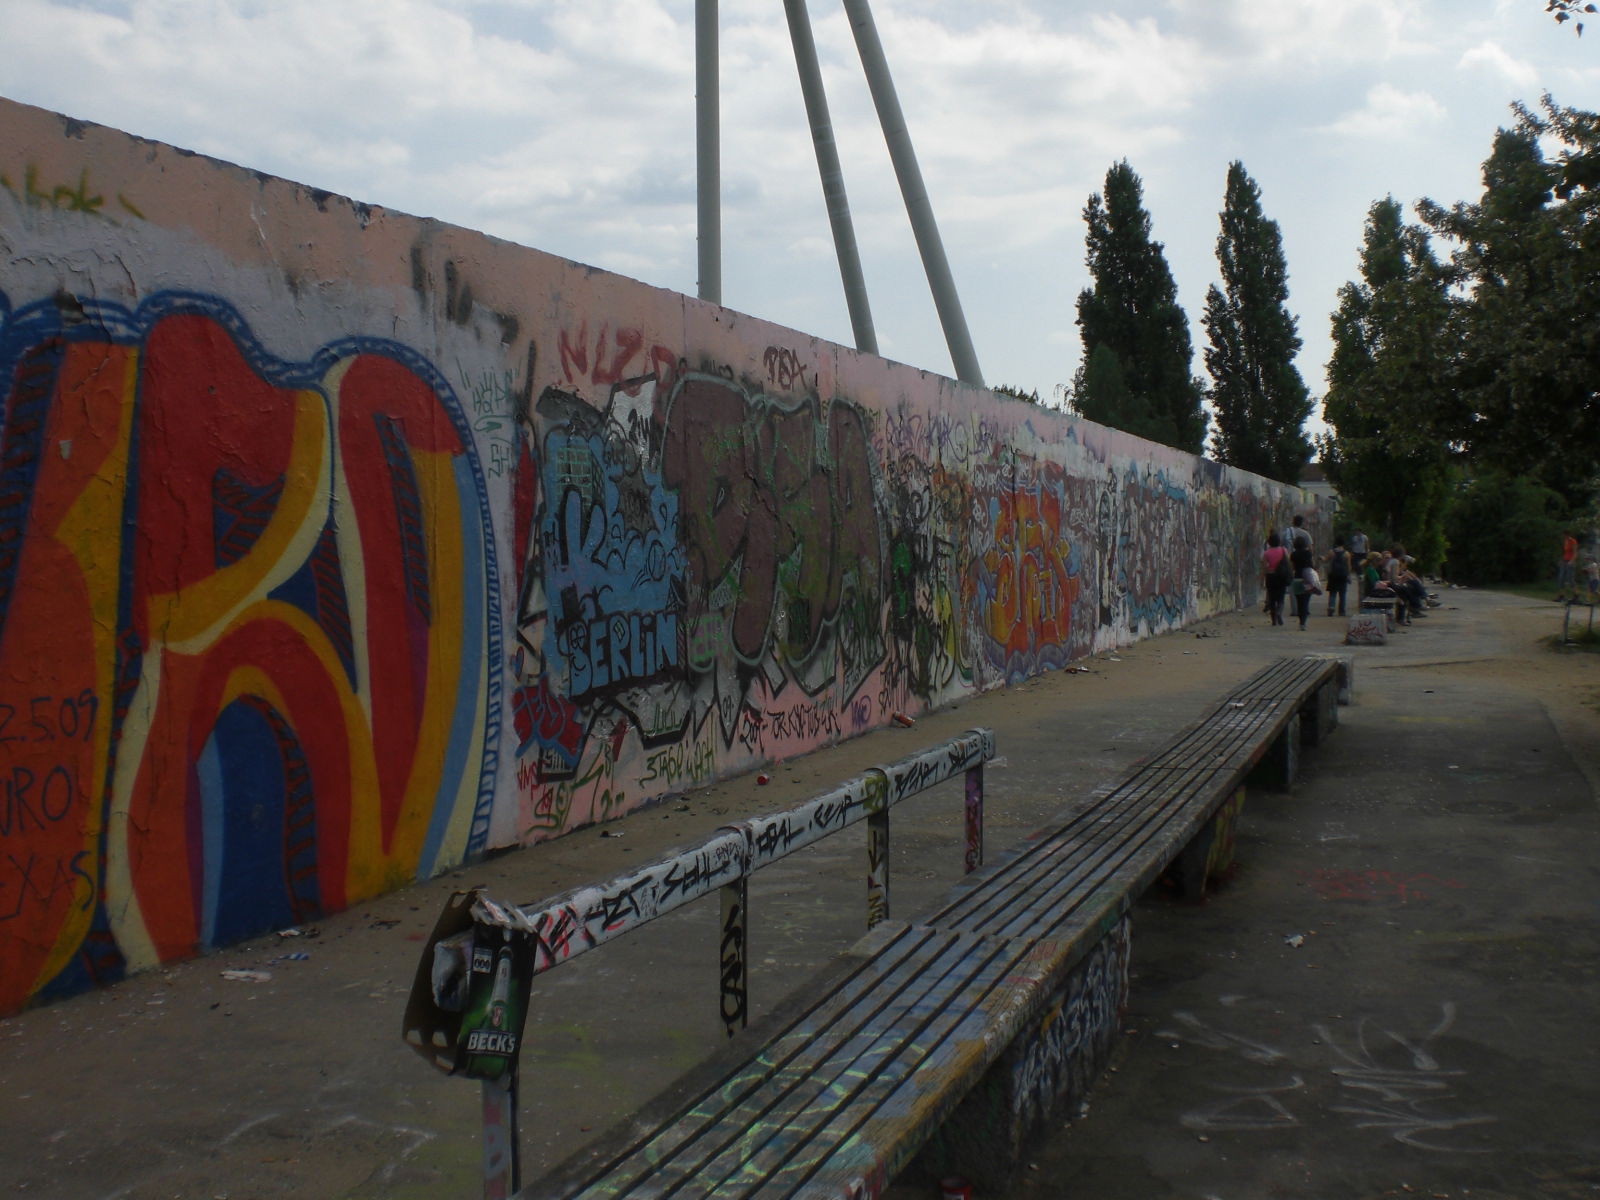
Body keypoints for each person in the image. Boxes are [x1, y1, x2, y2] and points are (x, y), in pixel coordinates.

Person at [1261, 530, 1291, 627]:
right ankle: (1279, 612)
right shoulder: (1283, 550)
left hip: (1270, 576)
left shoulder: (1266, 553)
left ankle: (1274, 620)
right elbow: (1288, 562)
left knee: (1272, 599)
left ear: (1269, 542)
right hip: (1281, 576)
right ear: (1279, 541)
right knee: (1281, 597)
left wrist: (1262, 577)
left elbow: (1265, 566)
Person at [1290, 537, 1318, 630]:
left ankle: (1301, 621)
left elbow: (1292, 567)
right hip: (1307, 580)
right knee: (1306, 601)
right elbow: (1312, 565)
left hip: (1297, 579)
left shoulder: (1293, 555)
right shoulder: (1308, 553)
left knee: (1299, 601)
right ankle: (1303, 623)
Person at [1324, 541, 1351, 617]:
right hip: (1343, 576)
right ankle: (1342, 611)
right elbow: (1349, 566)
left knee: (1332, 593)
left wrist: (1321, 558)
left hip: (1333, 575)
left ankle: (1331, 608)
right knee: (1342, 594)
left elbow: (1326, 560)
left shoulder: (1331, 552)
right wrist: (1348, 575)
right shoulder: (1347, 554)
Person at [1556, 531, 1578, 601]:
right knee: (1561, 578)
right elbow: (1566, 552)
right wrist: (1562, 560)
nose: (1564, 537)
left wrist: (1572, 561)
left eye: (1565, 535)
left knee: (1570, 579)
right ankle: (1562, 595)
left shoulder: (1573, 541)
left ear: (1568, 535)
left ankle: (1576, 595)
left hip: (1570, 562)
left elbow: (1575, 553)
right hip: (1564, 561)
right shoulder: (1566, 541)